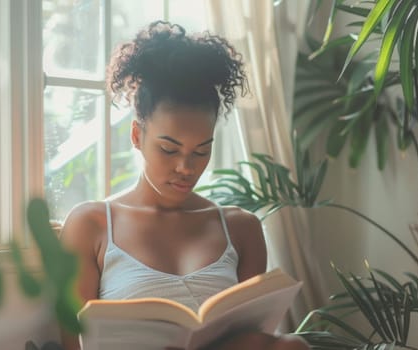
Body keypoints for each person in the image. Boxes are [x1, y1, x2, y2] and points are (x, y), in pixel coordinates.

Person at [59, 20, 309, 350]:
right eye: (169, 149)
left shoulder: (241, 228)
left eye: (201, 150)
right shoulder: (90, 225)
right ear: (137, 135)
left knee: (291, 346)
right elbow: (71, 342)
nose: (186, 168)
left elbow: (253, 339)